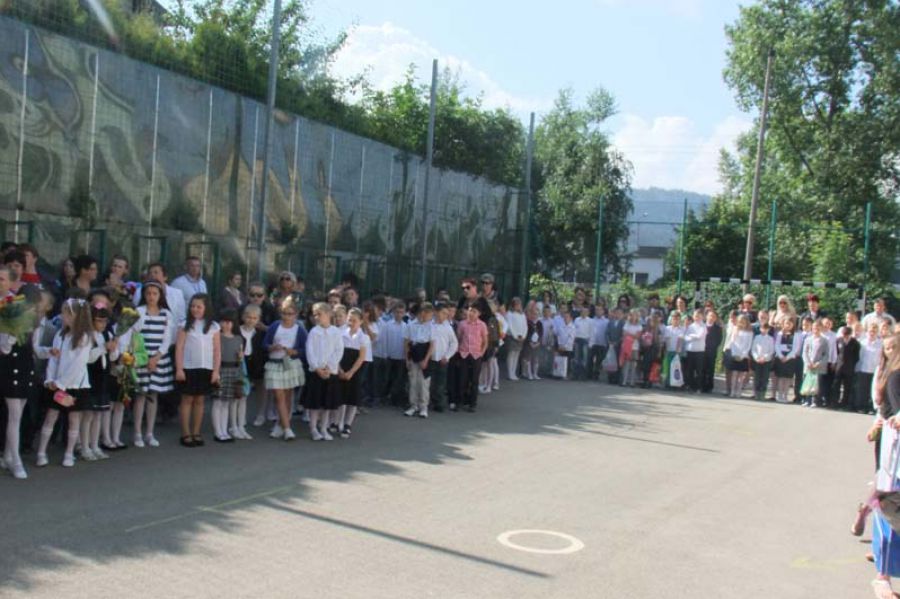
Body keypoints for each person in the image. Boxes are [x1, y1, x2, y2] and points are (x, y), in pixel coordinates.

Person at [36, 299, 94, 468]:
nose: (62, 316)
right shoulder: (60, 335)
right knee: (51, 416)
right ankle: (41, 452)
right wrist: (50, 380)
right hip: (56, 383)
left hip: (75, 385)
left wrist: (61, 383)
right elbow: (54, 359)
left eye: (65, 313)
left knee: (74, 419)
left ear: (75, 316)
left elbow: (78, 364)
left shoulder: (84, 338)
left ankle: (69, 453)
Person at [0, 274, 39, 479]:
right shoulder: (9, 317)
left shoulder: (32, 323)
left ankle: (8, 455)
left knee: (18, 414)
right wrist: (12, 335)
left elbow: (35, 349)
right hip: (10, 369)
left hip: (25, 368)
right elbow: (4, 349)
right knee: (14, 416)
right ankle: (16, 460)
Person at [870, 333, 900, 599]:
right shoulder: (896, 376)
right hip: (895, 456)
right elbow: (894, 416)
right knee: (888, 511)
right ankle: (883, 577)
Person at [175, 293, 220, 448]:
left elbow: (217, 350)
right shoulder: (184, 325)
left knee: (200, 400)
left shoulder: (213, 326)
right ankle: (185, 433)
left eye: (199, 306)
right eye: (193, 306)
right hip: (188, 368)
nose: (195, 309)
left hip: (206, 368)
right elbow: (179, 348)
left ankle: (196, 432)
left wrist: (216, 371)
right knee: (187, 400)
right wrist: (179, 369)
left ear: (206, 308)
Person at [262, 297, 307, 441]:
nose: (286, 316)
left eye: (290, 314)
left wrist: (294, 351)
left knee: (288, 396)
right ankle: (287, 429)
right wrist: (272, 347)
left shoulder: (299, 329)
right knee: (278, 395)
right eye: (284, 313)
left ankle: (280, 424)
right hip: (274, 363)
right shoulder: (275, 326)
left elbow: (304, 349)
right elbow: (265, 344)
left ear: (296, 314)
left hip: (290, 363)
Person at [82, 304, 117, 461]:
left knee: (98, 414)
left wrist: (114, 348)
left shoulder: (107, 334)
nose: (102, 324)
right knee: (88, 415)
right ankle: (85, 447)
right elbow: (88, 358)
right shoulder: (87, 336)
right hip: (91, 378)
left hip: (103, 378)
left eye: (105, 321)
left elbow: (113, 357)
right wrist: (103, 347)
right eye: (99, 321)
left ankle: (95, 445)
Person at [304, 302, 342, 441]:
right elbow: (310, 351)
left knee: (327, 404)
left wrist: (329, 367)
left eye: (319, 314)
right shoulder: (314, 332)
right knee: (315, 403)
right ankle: (313, 428)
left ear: (329, 314)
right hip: (316, 372)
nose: (316, 317)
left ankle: (324, 428)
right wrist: (317, 368)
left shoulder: (336, 332)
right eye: (315, 314)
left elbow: (339, 350)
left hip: (330, 372)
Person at [214, 309, 248, 442]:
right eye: (224, 321)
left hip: (233, 370)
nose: (226, 324)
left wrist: (240, 357)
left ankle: (224, 430)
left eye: (230, 322)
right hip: (220, 369)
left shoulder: (239, 338)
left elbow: (240, 359)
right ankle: (218, 431)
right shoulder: (216, 336)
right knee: (218, 401)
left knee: (227, 402)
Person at [337, 307, 370, 437]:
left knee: (352, 398)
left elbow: (361, 357)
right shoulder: (341, 334)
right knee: (341, 397)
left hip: (355, 370)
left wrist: (351, 372)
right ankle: (339, 422)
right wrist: (340, 369)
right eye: (349, 320)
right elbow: (337, 353)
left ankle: (347, 425)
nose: (351, 323)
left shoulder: (363, 337)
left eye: (354, 320)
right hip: (342, 367)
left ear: (361, 321)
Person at [456, 304, 489, 412]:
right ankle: (460, 401)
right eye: (470, 311)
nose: (471, 313)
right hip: (464, 353)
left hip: (476, 354)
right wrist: (458, 351)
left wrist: (481, 353)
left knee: (474, 380)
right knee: (462, 379)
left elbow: (485, 341)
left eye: (474, 312)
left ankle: (472, 403)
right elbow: (459, 338)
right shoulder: (462, 324)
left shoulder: (482, 325)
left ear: (479, 314)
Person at [404, 302, 435, 418]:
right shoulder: (411, 325)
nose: (430, 317)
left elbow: (432, 345)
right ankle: (413, 405)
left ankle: (423, 407)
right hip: (414, 354)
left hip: (424, 354)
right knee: (413, 381)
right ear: (423, 313)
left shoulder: (431, 326)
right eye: (429, 314)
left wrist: (426, 360)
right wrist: (407, 359)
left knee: (424, 382)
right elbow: (406, 343)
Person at [430, 303, 458, 411]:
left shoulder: (448, 328)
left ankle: (439, 403)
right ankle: (428, 401)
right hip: (430, 358)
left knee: (440, 383)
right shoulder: (429, 325)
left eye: (447, 314)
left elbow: (454, 343)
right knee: (430, 382)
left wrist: (447, 356)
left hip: (442, 359)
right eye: (443, 313)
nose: (445, 316)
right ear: (436, 312)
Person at [801, 320, 829, 407]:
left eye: (818, 327)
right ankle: (807, 400)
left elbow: (826, 354)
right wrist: (808, 362)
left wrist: (819, 363)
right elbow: (805, 352)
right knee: (808, 382)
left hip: (818, 366)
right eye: (814, 327)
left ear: (821, 328)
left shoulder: (824, 340)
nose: (816, 329)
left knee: (817, 384)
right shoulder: (808, 339)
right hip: (809, 365)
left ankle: (815, 401)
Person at [773, 318, 801, 403]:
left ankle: (785, 395)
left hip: (790, 359)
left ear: (793, 325)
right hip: (780, 358)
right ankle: (780, 395)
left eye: (790, 324)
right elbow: (776, 345)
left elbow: (796, 348)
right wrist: (781, 356)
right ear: (783, 324)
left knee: (787, 378)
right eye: (786, 323)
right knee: (781, 377)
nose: (788, 325)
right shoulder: (780, 334)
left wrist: (787, 357)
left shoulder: (796, 335)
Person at [857, 325, 883, 414]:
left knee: (873, 390)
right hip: (863, 369)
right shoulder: (862, 343)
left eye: (874, 331)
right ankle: (862, 407)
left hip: (875, 370)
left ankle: (872, 407)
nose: (872, 333)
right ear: (867, 332)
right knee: (863, 389)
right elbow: (859, 356)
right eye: (870, 331)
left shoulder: (880, 344)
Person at [834, 325, 860, 411]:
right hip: (839, 366)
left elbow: (856, 356)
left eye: (847, 335)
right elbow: (836, 353)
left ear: (850, 334)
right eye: (844, 334)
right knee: (836, 385)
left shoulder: (855, 343)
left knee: (847, 386)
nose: (845, 336)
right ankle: (835, 402)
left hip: (849, 367)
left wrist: (851, 364)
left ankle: (844, 403)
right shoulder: (838, 340)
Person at [726, 315, 753, 398]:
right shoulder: (736, 330)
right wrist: (735, 354)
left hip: (743, 356)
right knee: (734, 374)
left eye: (744, 321)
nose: (742, 323)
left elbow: (748, 345)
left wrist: (743, 354)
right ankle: (732, 391)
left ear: (747, 322)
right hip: (735, 354)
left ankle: (738, 391)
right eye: (740, 321)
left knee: (741, 375)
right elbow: (733, 342)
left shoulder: (749, 332)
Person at [683, 309, 708, 393]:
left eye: (698, 316)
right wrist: (693, 336)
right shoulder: (691, 326)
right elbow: (686, 338)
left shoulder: (703, 326)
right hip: (690, 350)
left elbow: (700, 336)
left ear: (702, 317)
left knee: (699, 370)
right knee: (689, 370)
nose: (697, 318)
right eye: (695, 316)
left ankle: (698, 387)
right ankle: (690, 386)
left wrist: (691, 336)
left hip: (699, 351)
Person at [750, 321, 775, 401]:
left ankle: (762, 393)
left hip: (766, 361)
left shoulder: (770, 339)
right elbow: (753, 349)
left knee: (765, 377)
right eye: (762, 328)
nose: (764, 330)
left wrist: (764, 358)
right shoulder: (757, 337)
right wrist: (757, 357)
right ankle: (756, 393)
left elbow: (771, 350)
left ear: (768, 329)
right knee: (757, 377)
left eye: (766, 328)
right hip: (757, 360)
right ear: (760, 329)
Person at [505, 298, 527, 381]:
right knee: (511, 354)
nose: (518, 306)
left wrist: (524, 335)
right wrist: (515, 336)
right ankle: (510, 373)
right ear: (513, 305)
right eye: (516, 304)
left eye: (519, 304)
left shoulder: (522, 315)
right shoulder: (509, 314)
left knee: (517, 355)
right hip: (512, 337)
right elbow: (509, 326)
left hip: (521, 337)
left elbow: (525, 326)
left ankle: (513, 373)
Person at [702, 310, 723, 393]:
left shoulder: (718, 328)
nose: (711, 318)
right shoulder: (702, 326)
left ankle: (709, 386)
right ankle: (701, 385)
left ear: (715, 318)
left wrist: (712, 347)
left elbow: (719, 340)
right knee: (702, 368)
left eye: (713, 316)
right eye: (710, 316)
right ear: (706, 316)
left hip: (712, 351)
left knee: (710, 368)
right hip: (701, 350)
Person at [589, 305, 609, 381]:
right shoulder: (591, 320)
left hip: (602, 343)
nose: (598, 311)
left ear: (603, 311)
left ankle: (596, 374)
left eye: (600, 310)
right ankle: (589, 374)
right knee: (590, 359)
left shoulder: (606, 321)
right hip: (592, 343)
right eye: (596, 310)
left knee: (599, 360)